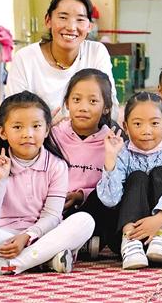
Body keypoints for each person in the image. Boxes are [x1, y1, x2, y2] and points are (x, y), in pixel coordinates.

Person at [0, 91, 94, 275]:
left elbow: (52, 216)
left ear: (46, 130)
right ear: (3, 132)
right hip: (4, 236)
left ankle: (13, 264)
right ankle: (45, 260)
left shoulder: (57, 166)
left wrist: (27, 236)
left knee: (85, 221)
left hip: (42, 235)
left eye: (36, 126)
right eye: (17, 127)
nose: (28, 134)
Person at [96, 92, 162, 270]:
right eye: (137, 124)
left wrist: (159, 218)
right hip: (126, 231)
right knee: (137, 177)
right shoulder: (122, 152)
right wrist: (110, 158)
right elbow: (110, 199)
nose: (146, 131)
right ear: (125, 126)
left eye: (154, 123)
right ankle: (130, 241)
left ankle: (160, 237)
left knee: (161, 172)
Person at [6, 0, 119, 120]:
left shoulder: (96, 52)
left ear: (90, 26)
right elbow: (13, 113)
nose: (71, 27)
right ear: (48, 20)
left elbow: (110, 108)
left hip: (88, 131)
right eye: (63, 17)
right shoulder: (25, 58)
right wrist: (47, 126)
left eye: (80, 19)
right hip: (39, 132)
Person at [52, 69, 121, 260]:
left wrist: (81, 195)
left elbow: (113, 189)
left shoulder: (112, 141)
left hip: (91, 208)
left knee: (106, 197)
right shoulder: (54, 135)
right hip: (56, 206)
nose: (83, 107)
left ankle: (75, 242)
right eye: (76, 100)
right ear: (67, 103)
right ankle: (71, 243)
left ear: (106, 107)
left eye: (93, 101)